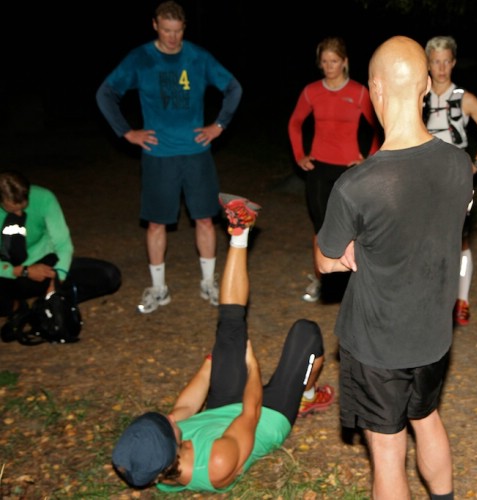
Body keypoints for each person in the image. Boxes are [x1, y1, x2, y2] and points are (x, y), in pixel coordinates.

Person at [315, 36, 473, 499]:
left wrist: (342, 244)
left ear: (375, 91)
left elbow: (326, 259)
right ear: (426, 86)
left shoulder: (358, 184)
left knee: (387, 453)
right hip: (432, 336)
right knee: (426, 419)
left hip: (379, 344)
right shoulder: (459, 164)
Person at [111, 194, 334, 492]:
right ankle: (306, 396)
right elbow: (251, 412)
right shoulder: (217, 464)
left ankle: (240, 231)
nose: (169, 419)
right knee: (306, 333)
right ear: (171, 451)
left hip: (224, 406)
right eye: (167, 426)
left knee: (229, 329)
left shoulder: (160, 462)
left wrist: (212, 362)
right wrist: (251, 366)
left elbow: (187, 405)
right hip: (266, 416)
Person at [96, 0, 242, 314]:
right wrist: (127, 132)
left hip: (196, 153)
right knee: (155, 224)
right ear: (155, 26)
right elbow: (105, 93)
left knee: (205, 219)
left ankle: (208, 283)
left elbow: (233, 87)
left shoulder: (198, 57)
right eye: (166, 30)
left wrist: (219, 125)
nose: (172, 37)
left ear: (183, 28)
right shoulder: (140, 58)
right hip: (158, 155)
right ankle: (159, 288)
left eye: (177, 31)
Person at [288, 36, 381, 303]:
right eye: (325, 62)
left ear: (345, 62)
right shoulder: (311, 91)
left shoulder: (359, 92)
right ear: (320, 63)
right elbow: (295, 123)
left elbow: (378, 124)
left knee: (353, 228)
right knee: (320, 227)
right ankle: (321, 281)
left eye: (335, 61)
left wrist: (370, 157)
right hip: (319, 166)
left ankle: (355, 282)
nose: (330, 66)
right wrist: (299, 156)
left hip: (349, 170)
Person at [423, 35, 477, 326]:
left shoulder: (464, 98)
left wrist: (476, 165)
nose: (441, 67)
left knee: (460, 240)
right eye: (436, 61)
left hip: (456, 178)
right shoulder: (420, 97)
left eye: (446, 61)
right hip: (425, 178)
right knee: (425, 238)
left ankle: (462, 300)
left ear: (453, 62)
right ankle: (432, 296)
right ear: (428, 64)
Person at [0, 170, 121, 341]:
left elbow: (63, 244)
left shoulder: (43, 198)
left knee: (109, 275)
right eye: (12, 209)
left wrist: (57, 280)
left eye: (23, 207)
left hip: (46, 266)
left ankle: (46, 304)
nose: (19, 214)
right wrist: (23, 271)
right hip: (10, 272)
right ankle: (17, 308)